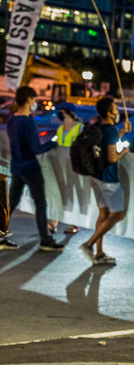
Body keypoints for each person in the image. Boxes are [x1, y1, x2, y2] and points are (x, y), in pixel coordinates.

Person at [4, 86, 62, 251]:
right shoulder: (28, 122)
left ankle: (1, 233)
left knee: (12, 202)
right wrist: (53, 143)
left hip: (17, 167)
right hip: (30, 168)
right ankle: (45, 239)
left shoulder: (12, 120)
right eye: (34, 100)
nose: (35, 103)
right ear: (29, 99)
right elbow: (36, 149)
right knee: (40, 204)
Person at [78, 96, 132, 264]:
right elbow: (112, 157)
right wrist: (124, 151)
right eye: (115, 108)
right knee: (118, 214)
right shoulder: (110, 130)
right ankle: (89, 244)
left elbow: (107, 141)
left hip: (96, 176)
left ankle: (99, 253)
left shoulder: (100, 127)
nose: (117, 111)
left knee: (104, 214)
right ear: (109, 112)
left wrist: (122, 132)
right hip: (108, 179)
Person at [53, 102, 82, 234]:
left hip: (74, 166)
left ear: (70, 112)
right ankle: (53, 223)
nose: (60, 114)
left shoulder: (79, 127)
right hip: (61, 164)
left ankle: (74, 224)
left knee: (72, 195)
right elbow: (58, 145)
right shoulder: (60, 128)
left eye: (63, 112)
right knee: (57, 192)